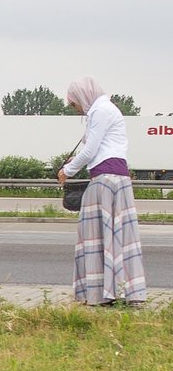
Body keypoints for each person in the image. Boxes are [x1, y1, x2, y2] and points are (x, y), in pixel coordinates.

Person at [56, 76, 146, 306]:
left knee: (94, 236)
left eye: (75, 103)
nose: (76, 109)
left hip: (105, 180)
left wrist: (68, 170)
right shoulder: (106, 110)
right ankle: (123, 291)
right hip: (117, 179)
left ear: (83, 96)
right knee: (119, 237)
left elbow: (90, 150)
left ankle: (99, 293)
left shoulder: (100, 111)